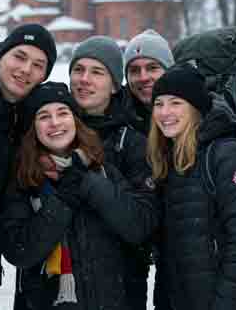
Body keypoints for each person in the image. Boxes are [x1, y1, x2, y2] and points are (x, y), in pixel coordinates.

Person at [1, 82, 159, 310]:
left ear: (75, 121)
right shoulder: (25, 179)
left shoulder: (102, 168)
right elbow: (19, 251)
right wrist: (62, 203)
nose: (55, 122)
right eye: (44, 116)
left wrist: (88, 183)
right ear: (33, 128)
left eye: (63, 113)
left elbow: (137, 227)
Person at [147, 64, 236, 310]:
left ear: (196, 108)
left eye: (175, 103)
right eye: (158, 104)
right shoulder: (169, 160)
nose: (164, 112)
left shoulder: (227, 155)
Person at [69, 36, 156, 310]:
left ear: (115, 85)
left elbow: (141, 225)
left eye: (97, 72)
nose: (84, 79)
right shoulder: (49, 130)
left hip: (118, 293)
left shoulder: (132, 142)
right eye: (78, 70)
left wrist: (90, 180)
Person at [0, 23, 57, 310]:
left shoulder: (34, 121)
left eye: (38, 65)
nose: (26, 70)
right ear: (0, 57)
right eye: (19, 57)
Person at [123, 29, 175, 135]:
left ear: (169, 71)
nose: (143, 78)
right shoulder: (117, 121)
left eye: (152, 68)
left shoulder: (192, 117)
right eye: (134, 70)